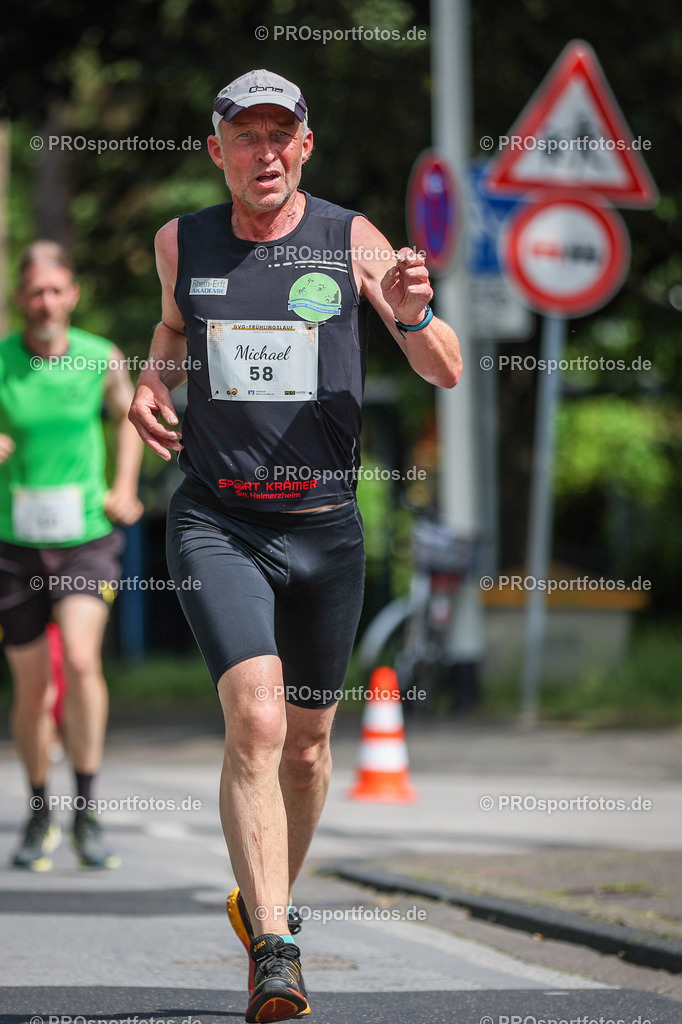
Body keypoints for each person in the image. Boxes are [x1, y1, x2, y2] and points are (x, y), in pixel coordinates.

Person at [128, 69, 461, 1023]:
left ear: (304, 147)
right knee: (260, 724)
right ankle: (275, 945)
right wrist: (156, 381)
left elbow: (444, 370)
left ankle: (260, 894)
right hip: (217, 519)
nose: (265, 152)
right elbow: (172, 326)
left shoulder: (349, 238)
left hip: (325, 526)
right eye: (247, 135)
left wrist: (411, 309)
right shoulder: (179, 241)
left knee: (310, 750)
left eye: (283, 135)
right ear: (218, 149)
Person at [0, 241, 144, 871]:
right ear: (19, 298)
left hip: (86, 534)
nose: (46, 301)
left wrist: (125, 487)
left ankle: (86, 809)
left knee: (82, 661)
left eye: (57, 290)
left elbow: (133, 416)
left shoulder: (101, 357)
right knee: (32, 686)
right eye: (35, 291)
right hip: (13, 540)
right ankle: (39, 814)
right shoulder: (1, 362)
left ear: (73, 294)